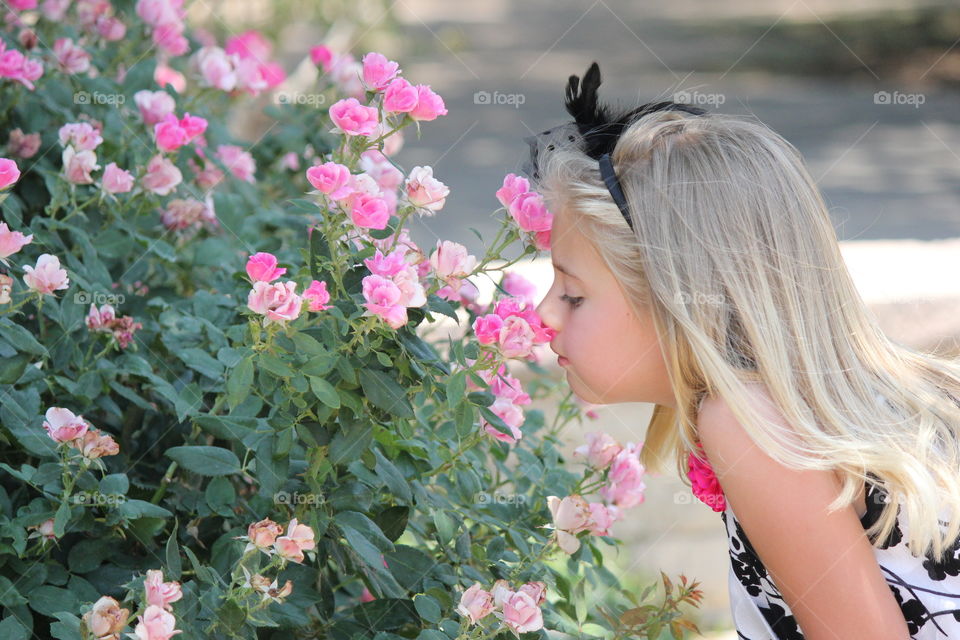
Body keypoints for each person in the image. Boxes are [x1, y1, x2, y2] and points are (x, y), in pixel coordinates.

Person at [528, 62, 960, 639]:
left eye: (574, 294)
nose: (543, 314)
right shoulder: (811, 404)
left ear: (676, 301)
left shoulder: (750, 420)